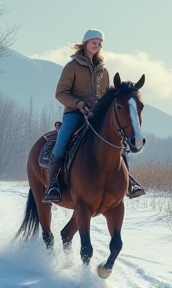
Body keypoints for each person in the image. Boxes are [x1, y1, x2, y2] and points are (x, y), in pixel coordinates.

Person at [43, 29, 145, 203]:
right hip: (75, 114)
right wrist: (79, 104)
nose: (97, 46)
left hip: (96, 116)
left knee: (118, 142)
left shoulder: (103, 71)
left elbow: (105, 97)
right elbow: (60, 93)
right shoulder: (72, 66)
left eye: (99, 44)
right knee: (62, 140)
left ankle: (130, 181)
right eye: (93, 43)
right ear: (85, 44)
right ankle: (53, 184)